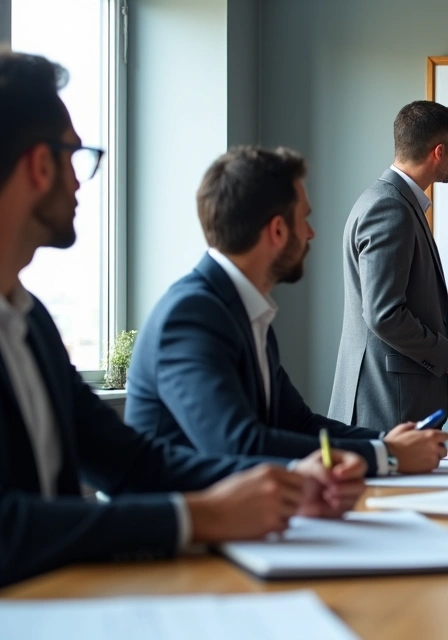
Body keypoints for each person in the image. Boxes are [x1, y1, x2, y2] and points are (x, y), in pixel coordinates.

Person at [0, 51, 366, 588]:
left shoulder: (31, 323)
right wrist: (200, 516)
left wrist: (285, 486)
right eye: (77, 158)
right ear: (39, 164)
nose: (82, 183)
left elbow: (130, 463)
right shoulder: (192, 312)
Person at [125, 147, 448, 475]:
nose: (311, 233)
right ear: (278, 231)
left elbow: (298, 423)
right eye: (304, 219)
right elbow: (238, 445)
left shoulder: (246, 312)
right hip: (188, 522)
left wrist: (388, 442)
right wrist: (385, 455)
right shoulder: (192, 315)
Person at [329, 100, 448, 431]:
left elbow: (398, 304)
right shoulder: (389, 208)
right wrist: (444, 352)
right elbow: (384, 314)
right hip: (386, 404)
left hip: (386, 400)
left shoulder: (390, 201)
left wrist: (447, 345)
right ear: (437, 151)